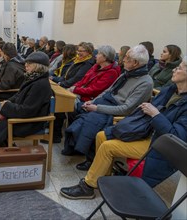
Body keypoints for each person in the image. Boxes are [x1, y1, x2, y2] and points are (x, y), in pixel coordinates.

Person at [60, 56, 187, 199]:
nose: (175, 69)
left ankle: (88, 187)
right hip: (146, 130)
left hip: (158, 144)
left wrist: (155, 114)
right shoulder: (170, 90)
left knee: (107, 146)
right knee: (101, 134)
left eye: (180, 67)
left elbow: (176, 138)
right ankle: (104, 178)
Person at [62, 45, 153, 171]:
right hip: (106, 103)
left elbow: (126, 109)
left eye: (127, 57)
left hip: (117, 111)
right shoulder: (126, 74)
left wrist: (97, 108)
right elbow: (107, 91)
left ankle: (90, 158)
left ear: (135, 63)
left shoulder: (145, 82)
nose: (123, 59)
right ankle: (78, 148)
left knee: (90, 120)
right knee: (81, 113)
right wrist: (92, 102)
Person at [0, 52, 52, 147]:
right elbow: (19, 94)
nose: (26, 65)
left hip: (29, 122)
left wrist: (7, 106)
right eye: (26, 62)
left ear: (38, 66)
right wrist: (8, 101)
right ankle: (7, 147)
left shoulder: (40, 85)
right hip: (23, 116)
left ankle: (7, 154)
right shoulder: (32, 78)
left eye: (29, 63)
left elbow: (27, 111)